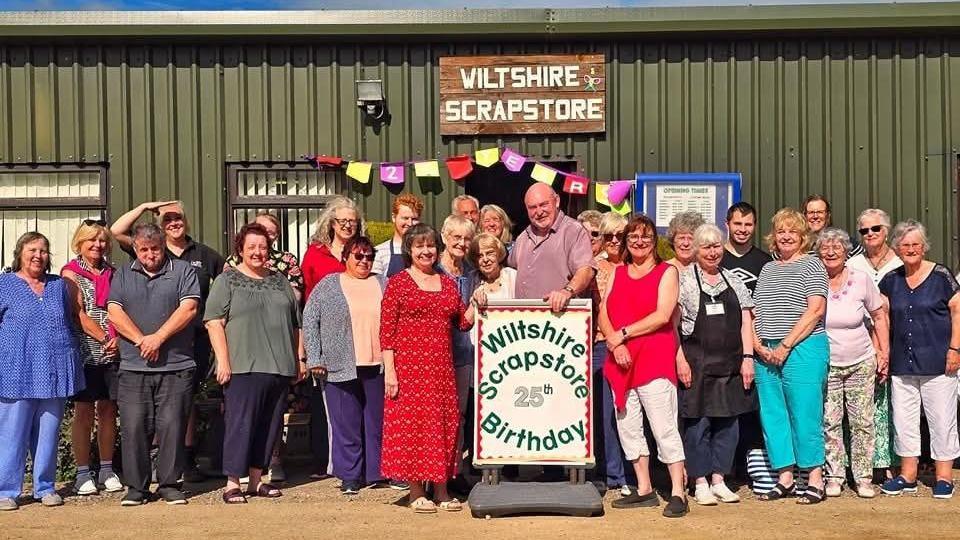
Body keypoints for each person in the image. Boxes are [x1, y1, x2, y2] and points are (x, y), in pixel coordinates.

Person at [111, 200, 225, 481]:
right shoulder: (132, 263)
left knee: (179, 412)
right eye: (167, 219)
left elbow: (211, 293)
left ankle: (179, 467)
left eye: (178, 218)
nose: (174, 222)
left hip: (187, 345)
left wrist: (160, 337)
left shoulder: (200, 257)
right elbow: (116, 230)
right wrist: (146, 206)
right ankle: (143, 477)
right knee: (139, 420)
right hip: (138, 355)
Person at [379, 223, 485, 513]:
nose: (426, 251)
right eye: (419, 246)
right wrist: (390, 371)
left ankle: (441, 488)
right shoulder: (399, 283)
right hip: (409, 368)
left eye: (430, 245)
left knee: (443, 425)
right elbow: (386, 332)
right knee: (412, 428)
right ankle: (415, 491)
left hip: (441, 369)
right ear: (409, 250)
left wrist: (476, 301)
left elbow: (462, 322)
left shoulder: (447, 283)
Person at [205, 223, 302, 504]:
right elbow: (214, 323)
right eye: (252, 247)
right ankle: (233, 482)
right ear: (240, 250)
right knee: (240, 424)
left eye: (263, 247)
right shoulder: (228, 281)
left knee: (269, 426)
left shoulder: (280, 280)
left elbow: (296, 323)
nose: (258, 252)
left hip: (280, 365)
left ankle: (257, 481)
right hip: (243, 365)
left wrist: (299, 358)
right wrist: (223, 361)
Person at [600, 214, 688, 518]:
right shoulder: (617, 272)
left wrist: (623, 334)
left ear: (654, 241)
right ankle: (644, 488)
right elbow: (604, 310)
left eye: (645, 237)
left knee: (663, 425)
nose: (639, 242)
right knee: (628, 425)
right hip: (621, 360)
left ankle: (678, 491)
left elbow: (663, 315)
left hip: (653, 358)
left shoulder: (668, 272)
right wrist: (615, 342)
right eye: (633, 237)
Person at [107, 223, 201, 506]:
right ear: (135, 249)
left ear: (163, 246)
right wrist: (141, 340)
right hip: (134, 366)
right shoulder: (123, 274)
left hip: (176, 365)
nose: (150, 254)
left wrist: (158, 337)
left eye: (155, 248)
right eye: (144, 249)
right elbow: (114, 310)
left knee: (173, 425)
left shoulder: (183, 270)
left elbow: (190, 308)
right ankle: (136, 488)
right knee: (134, 426)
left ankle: (170, 484)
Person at [0, 232, 83, 511]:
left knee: (48, 433)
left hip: (54, 370)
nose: (38, 255)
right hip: (16, 371)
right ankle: (7, 490)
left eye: (44, 250)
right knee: (12, 434)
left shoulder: (59, 286)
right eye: (32, 249)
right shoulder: (4, 284)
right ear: (20, 252)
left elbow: (71, 323)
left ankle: (44, 488)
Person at [751, 208, 829, 505]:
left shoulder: (812, 265)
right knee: (773, 414)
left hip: (802, 347)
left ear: (802, 237)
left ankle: (813, 478)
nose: (785, 236)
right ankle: (784, 476)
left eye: (792, 232)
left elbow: (815, 311)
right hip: (766, 351)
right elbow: (756, 311)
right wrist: (758, 345)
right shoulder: (769, 269)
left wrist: (785, 345)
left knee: (805, 413)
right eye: (781, 231)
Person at [878, 220, 960, 499]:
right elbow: (882, 316)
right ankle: (908, 474)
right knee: (904, 419)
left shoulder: (941, 276)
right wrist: (883, 351)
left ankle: (944, 476)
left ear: (924, 247)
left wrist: (955, 349)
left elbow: (957, 312)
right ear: (897, 249)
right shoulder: (891, 280)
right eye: (905, 245)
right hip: (902, 362)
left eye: (916, 244)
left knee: (942, 419)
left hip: (939, 360)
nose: (911, 249)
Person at [676, 224, 756, 506]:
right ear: (696, 250)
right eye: (706, 247)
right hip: (696, 364)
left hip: (731, 365)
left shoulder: (734, 280)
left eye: (716, 246)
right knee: (698, 426)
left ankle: (720, 479)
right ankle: (700, 482)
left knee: (728, 425)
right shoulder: (683, 280)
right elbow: (672, 325)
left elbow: (747, 320)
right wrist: (680, 358)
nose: (712, 252)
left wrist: (748, 358)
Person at [304, 236, 385, 495]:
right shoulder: (328, 285)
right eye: (358, 256)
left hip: (378, 364)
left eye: (368, 256)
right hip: (339, 364)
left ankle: (378, 472)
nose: (364, 261)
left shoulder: (383, 283)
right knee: (346, 423)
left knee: (377, 422)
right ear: (346, 257)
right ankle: (350, 475)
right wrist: (314, 358)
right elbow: (310, 320)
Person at [816, 228, 888, 499]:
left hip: (861, 361)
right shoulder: (813, 280)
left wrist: (884, 352)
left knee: (862, 423)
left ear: (847, 251)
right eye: (825, 248)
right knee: (830, 422)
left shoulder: (861, 280)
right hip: (827, 364)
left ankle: (863, 478)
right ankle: (834, 476)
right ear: (818, 252)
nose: (831, 252)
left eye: (837, 247)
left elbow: (879, 316)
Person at [62, 220, 123, 496]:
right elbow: (80, 314)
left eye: (102, 240)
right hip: (85, 350)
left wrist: (117, 340)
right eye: (92, 240)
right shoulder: (70, 273)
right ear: (80, 243)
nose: (98, 245)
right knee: (84, 411)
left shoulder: (115, 273)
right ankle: (83, 471)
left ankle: (107, 468)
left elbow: (122, 308)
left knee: (108, 410)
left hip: (113, 350)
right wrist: (104, 339)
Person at [846, 208, 903, 478]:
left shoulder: (901, 261)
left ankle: (891, 463)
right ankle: (863, 463)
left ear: (886, 230)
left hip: (899, 339)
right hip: (862, 342)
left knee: (894, 403)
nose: (870, 234)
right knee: (865, 405)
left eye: (875, 229)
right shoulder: (853, 264)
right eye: (864, 230)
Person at [436, 215, 478, 485]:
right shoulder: (432, 269)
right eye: (456, 237)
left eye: (466, 238)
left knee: (458, 414)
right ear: (444, 237)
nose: (462, 243)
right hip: (434, 352)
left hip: (462, 353)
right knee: (433, 413)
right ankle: (432, 471)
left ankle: (455, 471)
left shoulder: (472, 274)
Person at [510, 183, 595, 313]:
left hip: (560, 323)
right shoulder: (523, 237)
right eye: (533, 207)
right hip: (524, 325)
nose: (539, 212)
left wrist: (567, 291)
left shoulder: (573, 231)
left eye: (544, 204)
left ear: (557, 201)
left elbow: (586, 270)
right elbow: (508, 270)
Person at [591, 211, 629, 492]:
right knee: (605, 413)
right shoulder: (592, 268)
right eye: (609, 236)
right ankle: (611, 472)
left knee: (629, 410)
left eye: (621, 235)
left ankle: (631, 470)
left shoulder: (637, 266)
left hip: (635, 343)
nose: (615, 241)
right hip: (601, 343)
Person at [225, 211, 304, 301]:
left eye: (270, 233)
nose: (264, 235)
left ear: (276, 236)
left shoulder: (287, 260)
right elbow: (225, 289)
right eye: (260, 229)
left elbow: (295, 294)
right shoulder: (235, 259)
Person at [302, 196, 363, 300]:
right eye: (342, 221)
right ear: (333, 223)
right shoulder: (315, 253)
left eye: (352, 221)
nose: (348, 225)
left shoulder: (363, 253)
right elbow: (306, 289)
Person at [721, 202, 772, 294]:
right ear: (727, 224)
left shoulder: (765, 262)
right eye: (737, 224)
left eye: (748, 225)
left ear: (755, 226)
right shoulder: (715, 258)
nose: (743, 230)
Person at [373, 193, 423, 279]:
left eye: (414, 219)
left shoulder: (425, 251)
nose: (410, 223)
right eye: (405, 218)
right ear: (393, 217)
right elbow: (375, 286)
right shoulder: (379, 252)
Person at [470, 233, 516, 300]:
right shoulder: (472, 279)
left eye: (489, 253)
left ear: (499, 254)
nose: (485, 259)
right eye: (480, 256)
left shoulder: (511, 275)